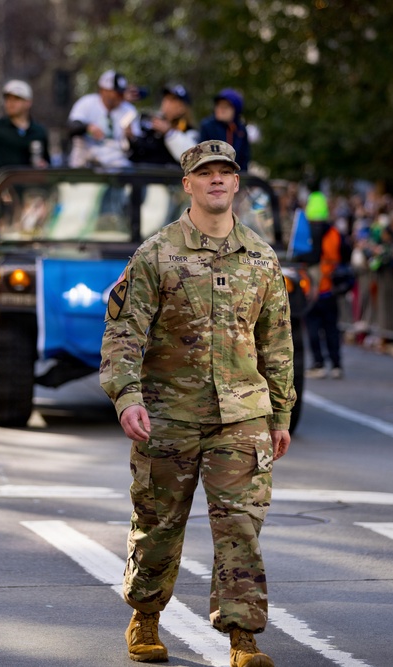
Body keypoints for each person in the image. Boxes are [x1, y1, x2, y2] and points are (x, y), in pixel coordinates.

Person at [100, 140, 294, 667]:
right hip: (169, 415)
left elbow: (276, 340)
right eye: (204, 173)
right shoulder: (156, 253)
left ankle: (243, 637)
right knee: (159, 523)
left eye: (225, 173)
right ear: (187, 184)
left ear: (236, 184)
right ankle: (145, 614)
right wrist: (127, 397)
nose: (215, 180)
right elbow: (124, 333)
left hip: (242, 417)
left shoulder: (261, 257)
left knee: (241, 527)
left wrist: (280, 413)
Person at [304, 191, 345, 379]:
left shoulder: (305, 232)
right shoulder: (334, 233)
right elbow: (344, 255)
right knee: (331, 328)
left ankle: (318, 363)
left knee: (313, 327)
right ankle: (336, 364)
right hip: (329, 288)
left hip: (311, 289)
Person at [67, 69, 140, 167]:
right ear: (103, 90)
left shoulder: (129, 110)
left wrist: (131, 137)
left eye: (121, 93)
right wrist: (87, 127)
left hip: (116, 166)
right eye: (116, 92)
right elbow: (71, 127)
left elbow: (138, 144)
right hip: (84, 165)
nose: (119, 96)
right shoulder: (87, 103)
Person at [128, 83, 198, 166]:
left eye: (172, 100)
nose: (166, 102)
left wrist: (169, 133)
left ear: (182, 108)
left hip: (167, 176)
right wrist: (131, 137)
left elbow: (190, 157)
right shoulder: (149, 122)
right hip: (139, 172)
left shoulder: (189, 131)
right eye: (166, 98)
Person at [198, 89, 251, 171]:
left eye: (225, 107)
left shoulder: (241, 130)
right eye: (218, 106)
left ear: (235, 110)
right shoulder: (207, 126)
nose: (221, 109)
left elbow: (244, 159)